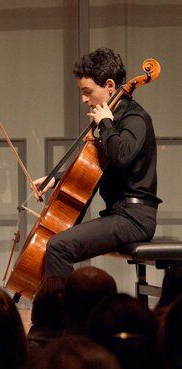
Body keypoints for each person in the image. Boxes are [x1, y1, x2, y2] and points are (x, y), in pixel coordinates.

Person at [34, 48, 160, 279]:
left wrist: (106, 125)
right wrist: (56, 179)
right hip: (118, 214)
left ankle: (65, 314)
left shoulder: (136, 118)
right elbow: (96, 169)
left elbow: (121, 157)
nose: (84, 99)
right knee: (56, 244)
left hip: (135, 217)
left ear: (110, 86)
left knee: (58, 246)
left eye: (88, 91)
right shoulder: (109, 122)